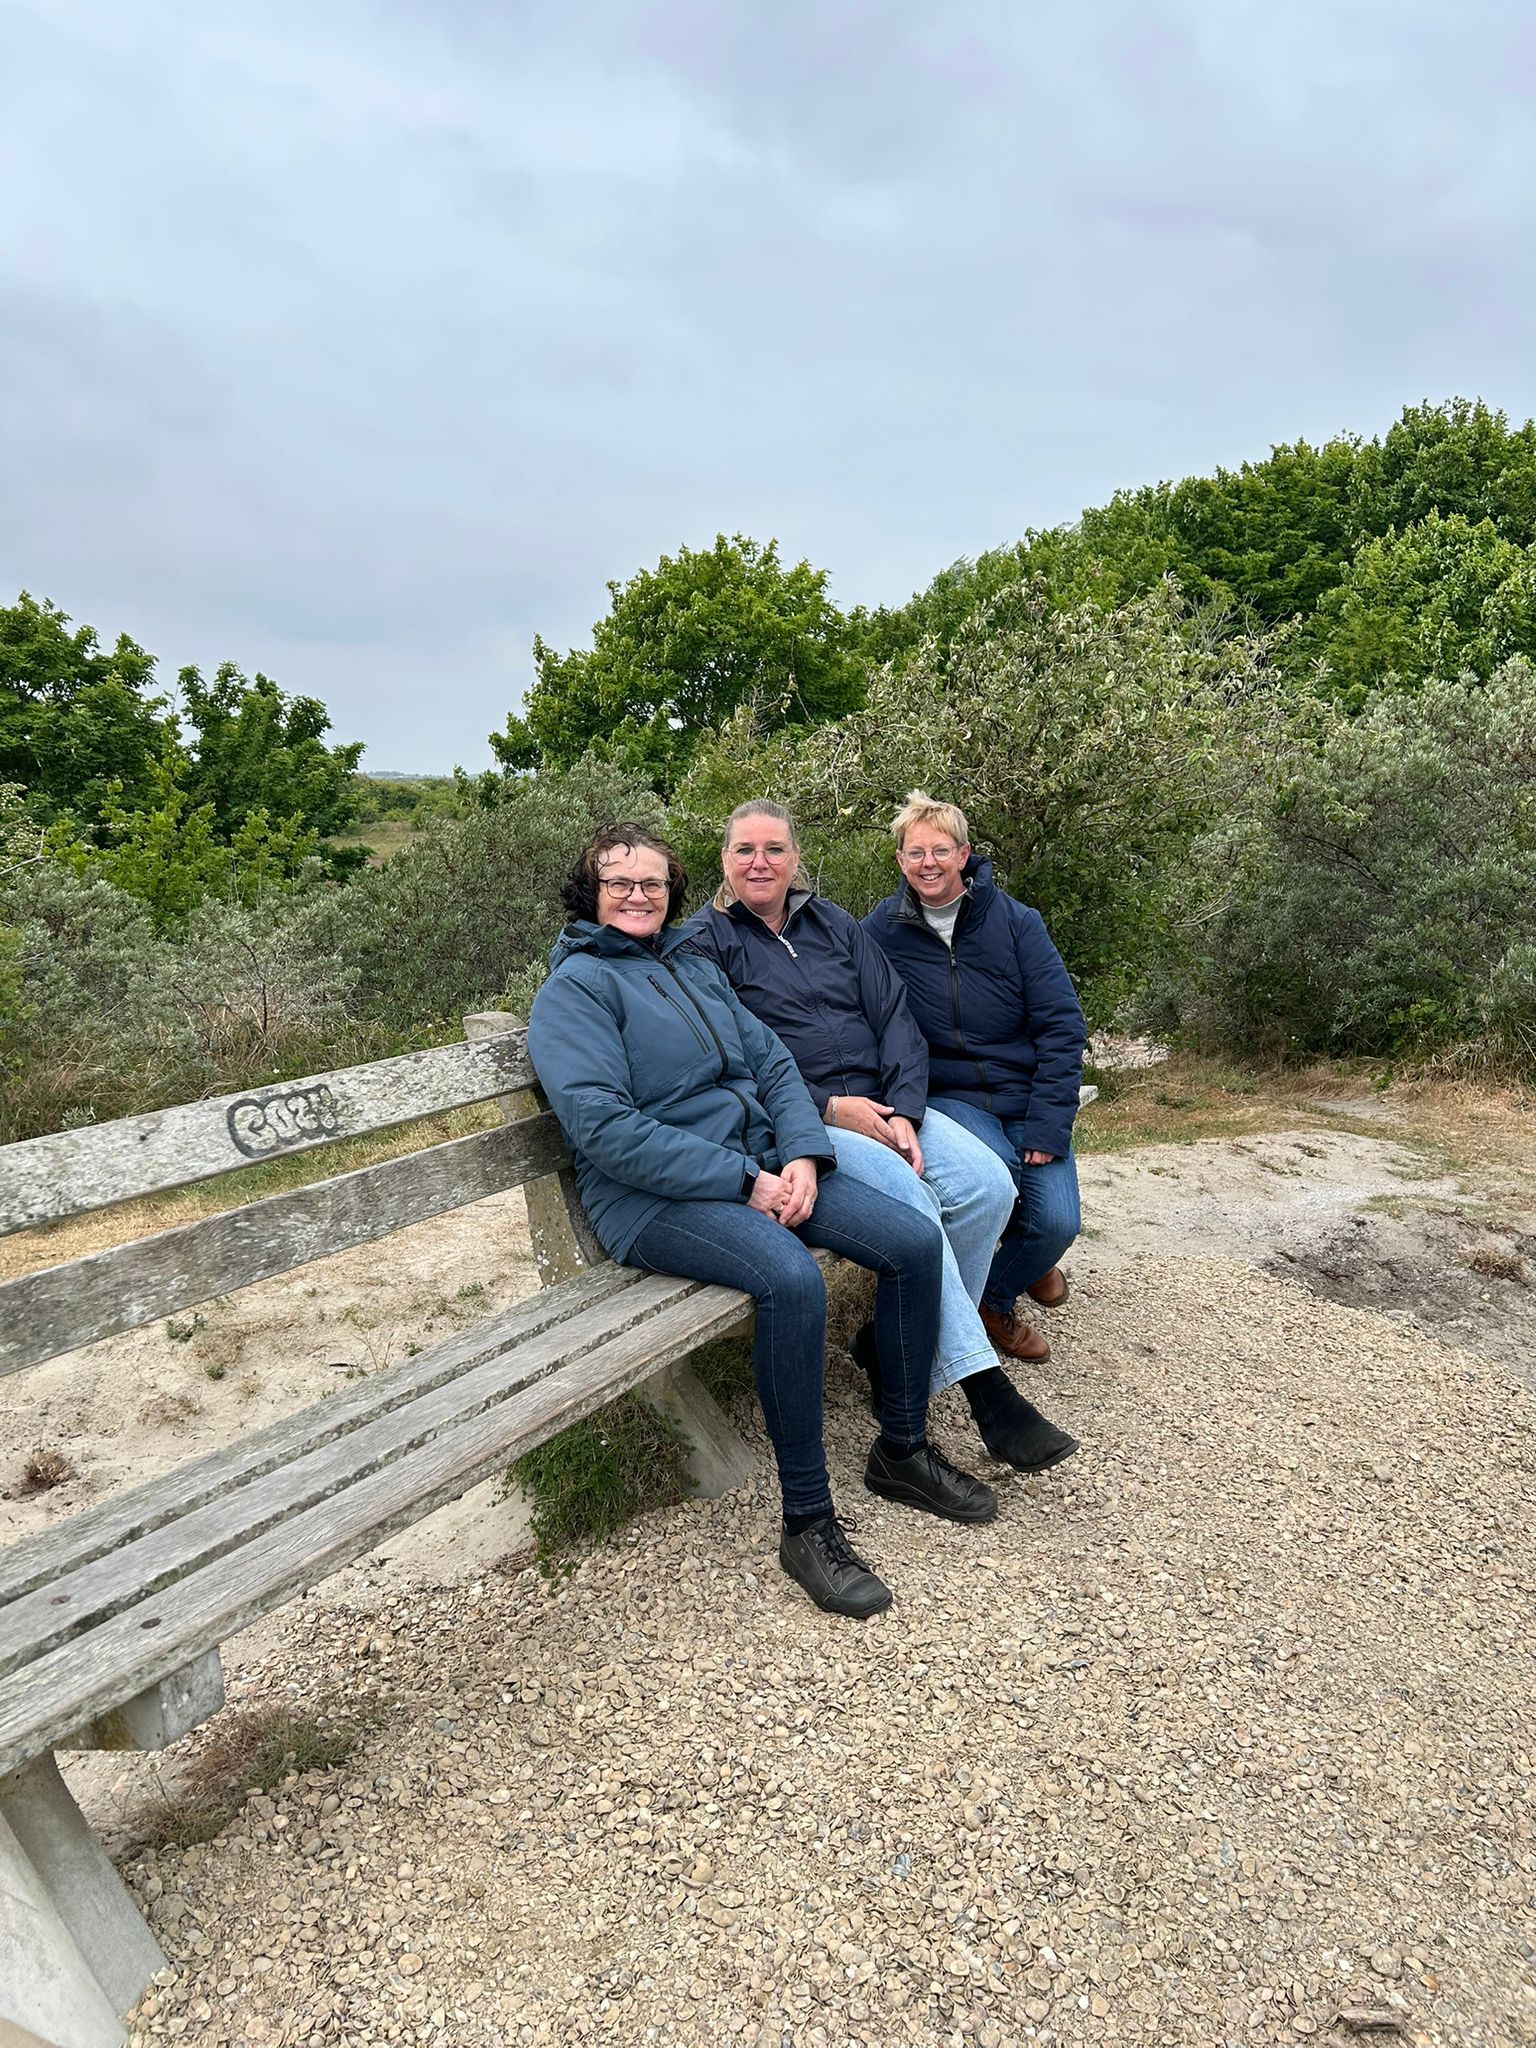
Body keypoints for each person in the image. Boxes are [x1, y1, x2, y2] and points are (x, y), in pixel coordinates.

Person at [526, 823, 998, 1621]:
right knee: (790, 1279)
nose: (639, 896)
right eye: (620, 883)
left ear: (672, 891)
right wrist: (745, 1182)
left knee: (914, 1240)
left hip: (761, 1170)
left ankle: (902, 1449)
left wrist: (804, 1154)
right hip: (653, 1203)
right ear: (590, 893)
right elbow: (605, 1130)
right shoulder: (575, 992)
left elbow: (774, 1063)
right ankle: (807, 1522)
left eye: (652, 883)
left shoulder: (690, 965)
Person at [684, 801, 1076, 1473]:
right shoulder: (704, 942)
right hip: (802, 1121)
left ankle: (898, 1351)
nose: (760, 863)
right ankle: (983, 1389)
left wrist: (904, 1110)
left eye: (775, 849)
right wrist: (831, 1107)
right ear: (724, 859)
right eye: (745, 849)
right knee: (912, 1202)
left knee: (988, 1185)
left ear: (795, 858)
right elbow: (727, 1057)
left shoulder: (832, 923)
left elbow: (895, 1015)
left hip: (887, 1104)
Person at [863, 792, 1086, 1366]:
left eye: (941, 851)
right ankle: (1004, 1292)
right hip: (950, 1095)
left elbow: (1062, 1025)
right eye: (916, 853)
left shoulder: (1016, 923)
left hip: (1027, 1094)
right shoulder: (880, 931)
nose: (928, 864)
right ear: (900, 861)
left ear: (964, 855)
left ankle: (996, 1291)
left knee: (1058, 1222)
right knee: (999, 1180)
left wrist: (1049, 1123)